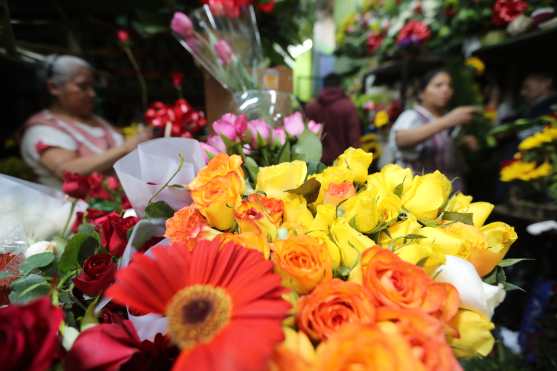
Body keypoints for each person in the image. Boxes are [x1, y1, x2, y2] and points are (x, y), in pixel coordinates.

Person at [21, 55, 151, 187]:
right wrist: (125, 148)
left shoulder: (91, 118)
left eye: (92, 86)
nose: (92, 93)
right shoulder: (41, 131)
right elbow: (68, 170)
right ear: (54, 87)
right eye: (82, 86)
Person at [388, 69, 479, 190]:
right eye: (438, 85)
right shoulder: (412, 115)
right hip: (422, 194)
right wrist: (448, 121)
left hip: (450, 191)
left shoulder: (445, 117)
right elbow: (401, 139)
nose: (446, 89)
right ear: (421, 93)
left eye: (449, 85)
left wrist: (462, 143)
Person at [305, 73, 361, 165]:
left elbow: (305, 137)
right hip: (342, 165)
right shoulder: (348, 107)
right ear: (340, 85)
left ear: (324, 85)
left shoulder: (312, 107)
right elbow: (354, 139)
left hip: (315, 163)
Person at [517, 71, 557, 138]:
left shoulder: (550, 109)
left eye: (527, 87)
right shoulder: (537, 107)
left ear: (546, 83)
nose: (522, 93)